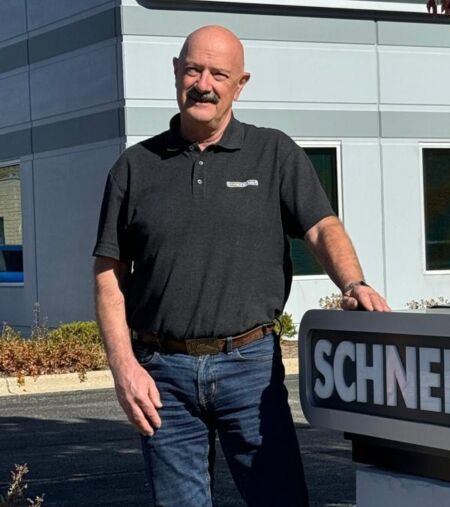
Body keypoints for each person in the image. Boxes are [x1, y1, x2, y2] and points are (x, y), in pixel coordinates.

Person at [92, 25, 389, 506]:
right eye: (193, 69)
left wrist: (353, 281)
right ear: (176, 72)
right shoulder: (133, 167)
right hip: (161, 372)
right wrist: (123, 366)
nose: (203, 83)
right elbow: (109, 275)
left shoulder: (274, 153)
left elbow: (321, 227)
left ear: (240, 84)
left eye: (218, 73)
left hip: (249, 367)